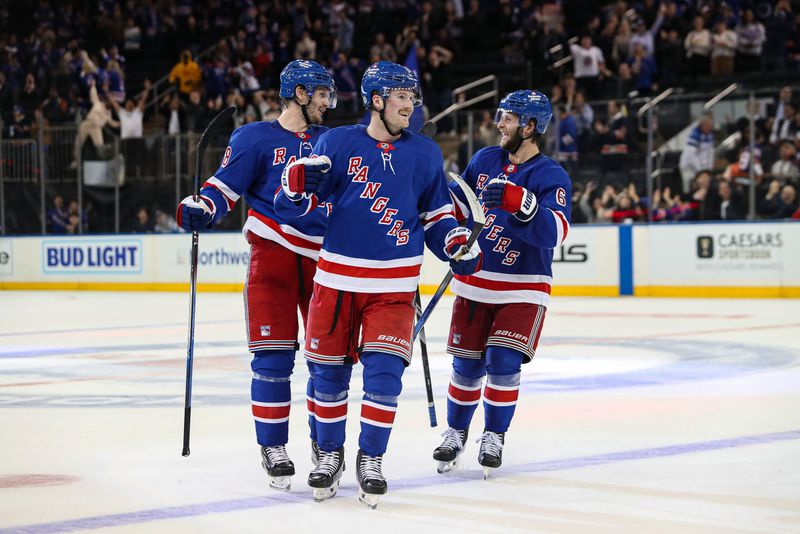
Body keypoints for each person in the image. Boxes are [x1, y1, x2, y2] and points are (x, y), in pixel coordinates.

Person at [278, 61, 482, 508]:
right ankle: (329, 454)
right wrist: (293, 187)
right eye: (402, 98)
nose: (411, 106)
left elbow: (437, 217)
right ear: (376, 100)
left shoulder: (425, 153)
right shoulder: (336, 142)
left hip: (394, 286)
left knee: (385, 378)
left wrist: (455, 243)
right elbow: (298, 204)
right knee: (328, 379)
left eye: (413, 98)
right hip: (335, 283)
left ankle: (370, 458)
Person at [176, 60, 337, 493]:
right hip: (273, 261)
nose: (328, 101)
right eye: (321, 93)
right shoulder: (253, 138)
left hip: (327, 264)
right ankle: (273, 447)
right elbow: (222, 188)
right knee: (273, 359)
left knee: (328, 363)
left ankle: (326, 448)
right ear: (300, 93)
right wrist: (202, 207)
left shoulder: (335, 141)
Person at [432, 90, 571, 479]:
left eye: (507, 118)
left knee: (503, 363)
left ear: (530, 127)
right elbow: (459, 210)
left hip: (524, 287)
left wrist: (524, 205)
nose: (499, 124)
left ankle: (494, 435)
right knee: (466, 366)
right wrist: (453, 236)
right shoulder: (483, 160)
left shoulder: (551, 175)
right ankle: (456, 432)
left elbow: (557, 231)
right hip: (476, 282)